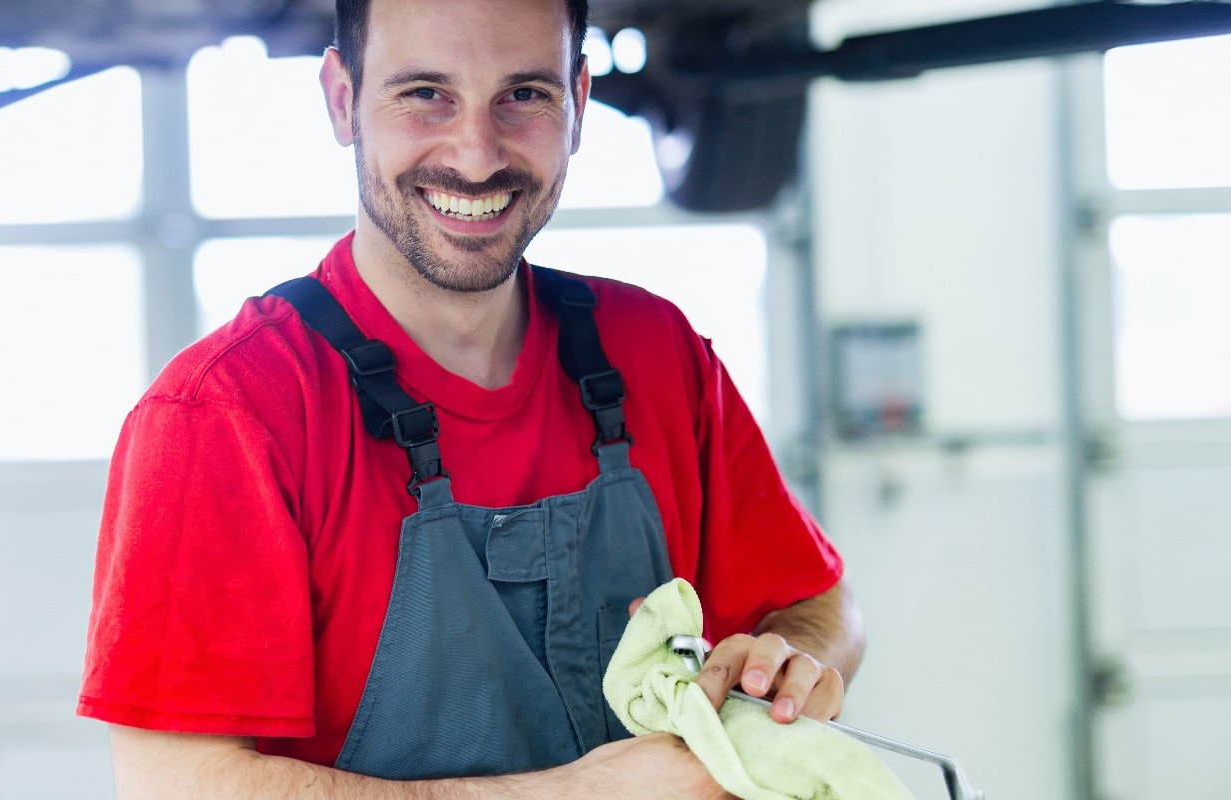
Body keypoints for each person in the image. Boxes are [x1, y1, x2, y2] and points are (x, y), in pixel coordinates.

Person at [77, 0, 864, 795]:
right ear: (343, 99)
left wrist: (792, 666)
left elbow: (820, 606)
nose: (477, 155)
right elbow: (175, 783)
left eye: (524, 95)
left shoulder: (657, 354)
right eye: (426, 94)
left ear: (580, 102)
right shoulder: (226, 414)